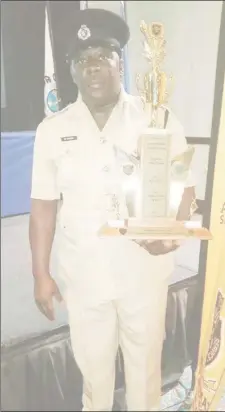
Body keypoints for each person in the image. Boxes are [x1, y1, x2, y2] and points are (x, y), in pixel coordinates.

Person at [29, 8, 196, 411]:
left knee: (145, 379)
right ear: (71, 71)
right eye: (83, 60)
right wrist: (40, 275)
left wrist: (173, 232)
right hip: (85, 279)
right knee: (95, 380)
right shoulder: (52, 131)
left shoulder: (157, 118)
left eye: (103, 56)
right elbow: (43, 208)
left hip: (142, 274)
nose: (93, 67)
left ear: (120, 62)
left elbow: (185, 189)